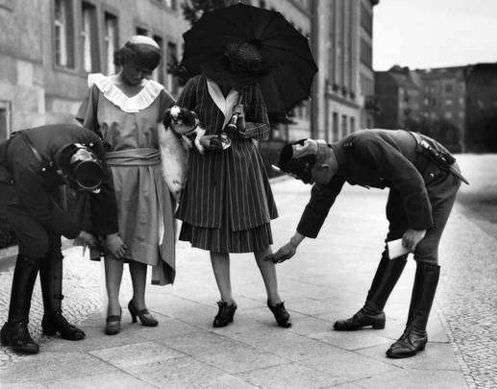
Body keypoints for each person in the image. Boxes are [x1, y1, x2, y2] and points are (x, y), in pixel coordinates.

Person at [269, 129, 464, 358]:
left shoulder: (365, 145)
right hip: (409, 181)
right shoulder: (333, 162)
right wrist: (294, 243)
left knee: (425, 248)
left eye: (311, 178)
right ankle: (372, 311)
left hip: (436, 176)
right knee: (396, 243)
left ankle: (417, 333)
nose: (311, 184)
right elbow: (319, 202)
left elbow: (412, 179)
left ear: (322, 168)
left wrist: (419, 226)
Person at [176, 42, 291, 328]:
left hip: (243, 167)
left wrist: (244, 128)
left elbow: (264, 128)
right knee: (216, 235)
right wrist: (198, 138)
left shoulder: (250, 88)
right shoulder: (197, 85)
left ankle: (274, 299)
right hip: (209, 167)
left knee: (259, 234)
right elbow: (175, 119)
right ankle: (227, 301)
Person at [76, 35, 176, 335]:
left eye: (148, 71)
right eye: (138, 68)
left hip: (148, 174)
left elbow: (177, 131)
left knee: (142, 239)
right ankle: (114, 306)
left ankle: (140, 303)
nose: (142, 76)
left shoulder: (158, 93)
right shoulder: (100, 89)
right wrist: (88, 179)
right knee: (113, 238)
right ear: (124, 60)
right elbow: (85, 135)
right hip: (112, 176)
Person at [0, 124, 125, 354]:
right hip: (10, 180)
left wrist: (110, 233)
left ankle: (52, 318)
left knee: (53, 245)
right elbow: (41, 209)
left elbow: (103, 187)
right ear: (64, 173)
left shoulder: (91, 142)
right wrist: (77, 232)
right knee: (37, 242)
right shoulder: (27, 162)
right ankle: (14, 327)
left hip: (44, 177)